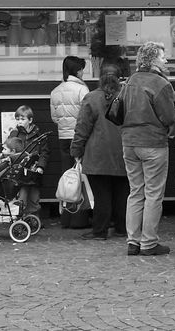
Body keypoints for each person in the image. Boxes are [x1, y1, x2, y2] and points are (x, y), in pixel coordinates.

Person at [121, 42, 175, 256]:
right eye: (163, 57)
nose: (166, 60)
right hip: (153, 142)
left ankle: (133, 241)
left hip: (129, 141)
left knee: (135, 192)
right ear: (153, 60)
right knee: (153, 193)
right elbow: (169, 117)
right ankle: (149, 242)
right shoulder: (160, 83)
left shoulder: (130, 81)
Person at [70, 63, 129, 240]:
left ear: (100, 78)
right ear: (119, 78)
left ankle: (100, 230)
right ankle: (122, 228)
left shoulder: (91, 98)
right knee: (122, 194)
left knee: (101, 195)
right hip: (123, 151)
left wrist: (76, 149)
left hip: (97, 154)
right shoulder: (127, 95)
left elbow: (82, 128)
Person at [50, 56, 89, 224]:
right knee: (80, 176)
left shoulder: (55, 91)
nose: (83, 72)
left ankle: (66, 218)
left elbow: (54, 118)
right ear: (77, 71)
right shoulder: (82, 90)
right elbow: (88, 116)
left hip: (63, 137)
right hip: (79, 137)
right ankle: (79, 219)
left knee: (67, 177)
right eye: (81, 69)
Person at [7, 105, 50, 217]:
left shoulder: (39, 135)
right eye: (17, 119)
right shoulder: (14, 134)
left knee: (34, 196)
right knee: (22, 195)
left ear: (30, 120)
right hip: (20, 170)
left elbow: (44, 153)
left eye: (22, 119)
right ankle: (21, 218)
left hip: (34, 169)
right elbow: (9, 149)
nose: (19, 122)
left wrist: (41, 166)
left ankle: (34, 219)